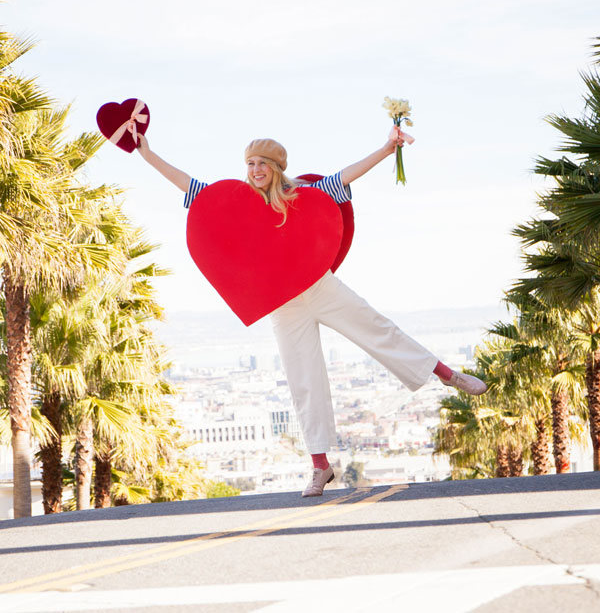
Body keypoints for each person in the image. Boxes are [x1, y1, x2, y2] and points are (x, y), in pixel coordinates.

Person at [135, 126, 487, 497]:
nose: (255, 170)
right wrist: (147, 154)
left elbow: (344, 176)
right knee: (303, 380)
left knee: (376, 328)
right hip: (281, 304)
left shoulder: (301, 194)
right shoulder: (233, 202)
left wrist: (387, 149)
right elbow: (187, 185)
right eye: (250, 163)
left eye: (263, 164)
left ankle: (447, 374)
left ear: (276, 167)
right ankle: (320, 467)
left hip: (319, 287)